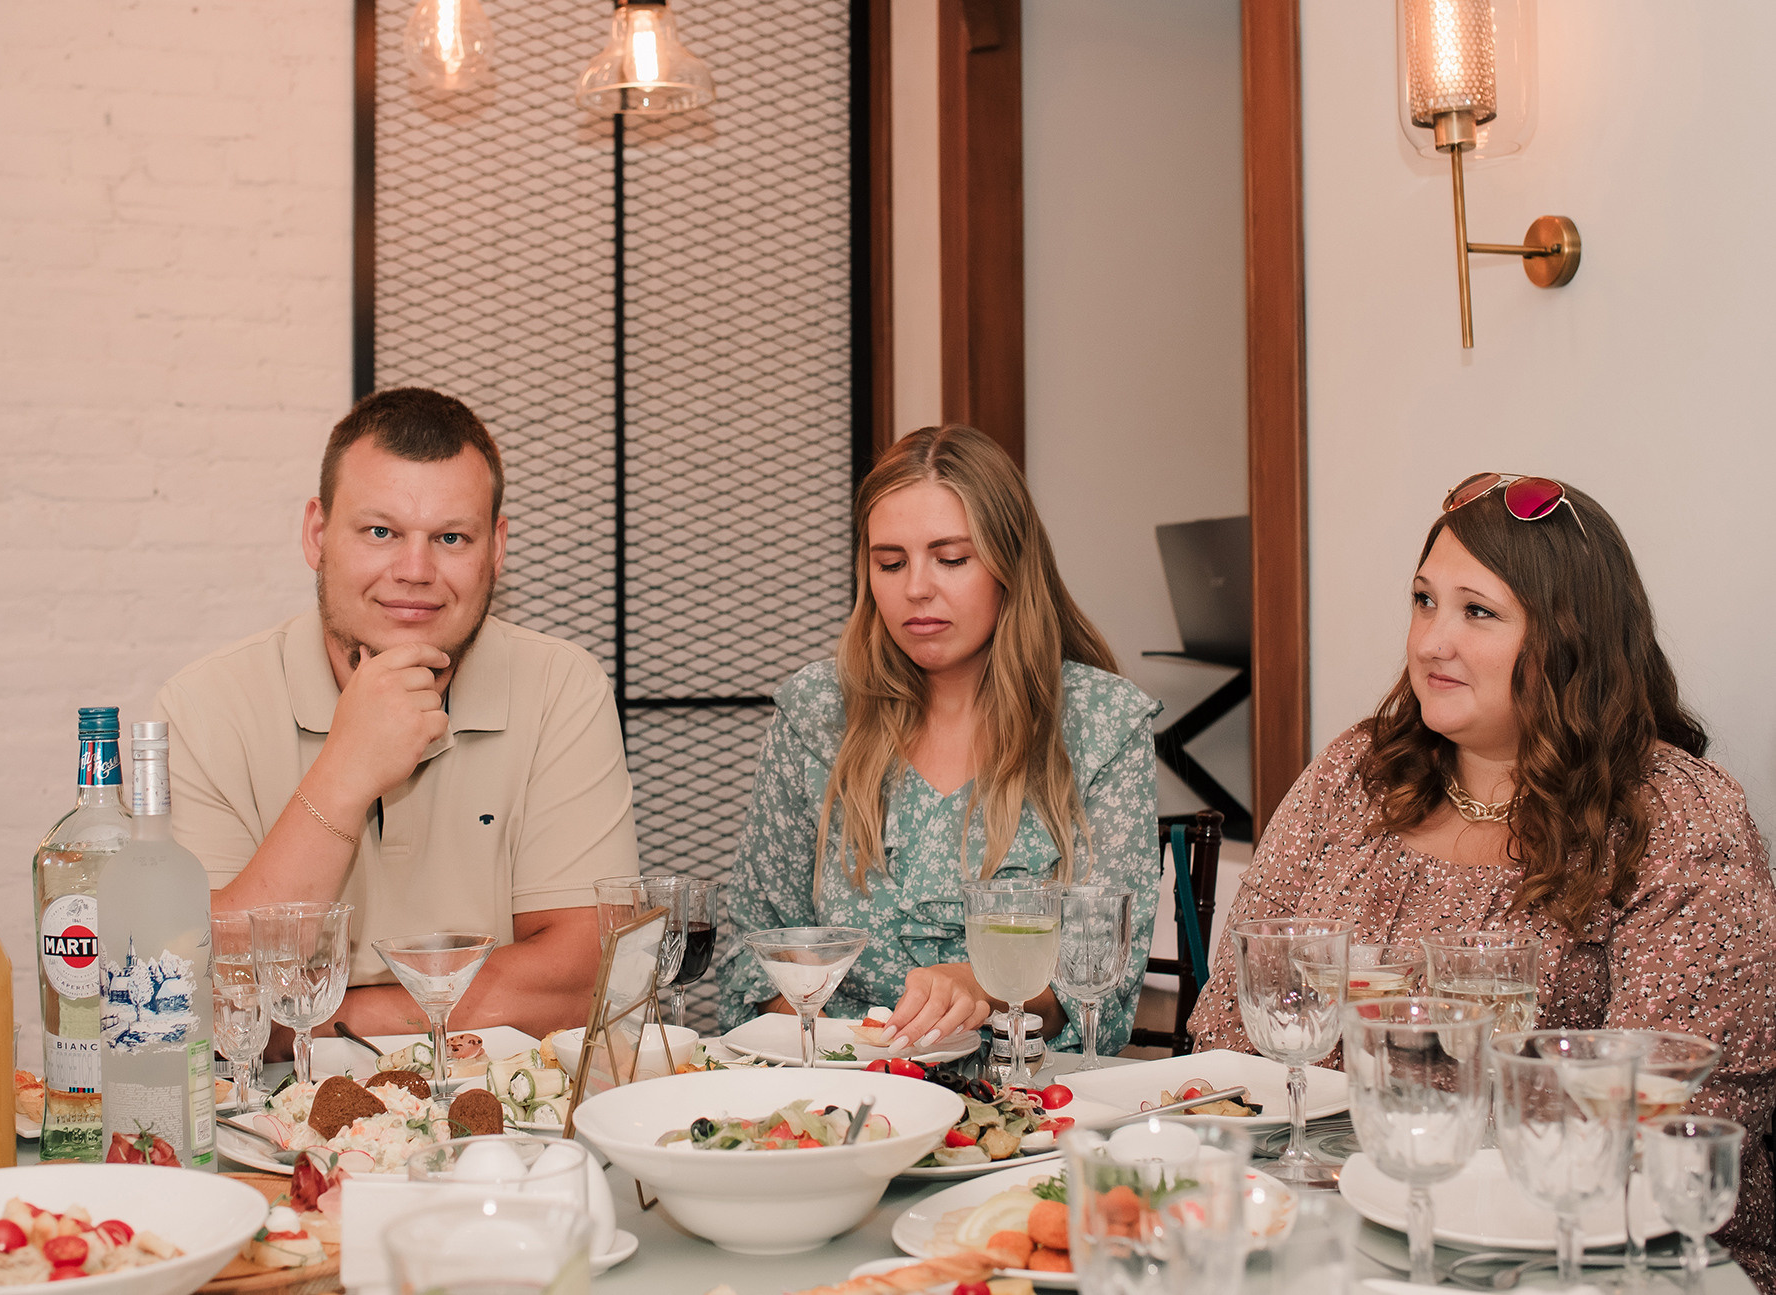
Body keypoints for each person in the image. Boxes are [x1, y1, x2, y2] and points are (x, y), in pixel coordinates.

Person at [1189, 472, 1776, 1289]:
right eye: (1424, 600)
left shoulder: (1675, 816)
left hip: (1592, 1257)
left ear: (1572, 636)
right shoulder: (1354, 775)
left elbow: (1681, 1114)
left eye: (1478, 612)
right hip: (1335, 1231)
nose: (1432, 641)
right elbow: (1228, 1028)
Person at [152, 387, 638, 1042]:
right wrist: (346, 772)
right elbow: (191, 993)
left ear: (496, 548)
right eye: (380, 532)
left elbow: (581, 981)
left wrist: (326, 1018)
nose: (415, 570)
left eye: (451, 537)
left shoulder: (562, 687)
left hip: (500, 1097)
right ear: (317, 534)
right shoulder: (202, 708)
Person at [716, 424, 1163, 1057]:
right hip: (839, 1088)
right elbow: (755, 950)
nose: (916, 589)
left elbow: (1099, 983)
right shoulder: (817, 713)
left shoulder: (1101, 723)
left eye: (951, 559)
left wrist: (987, 986)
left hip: (1026, 1095)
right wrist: (845, 1054)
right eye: (890, 563)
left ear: (1011, 563)